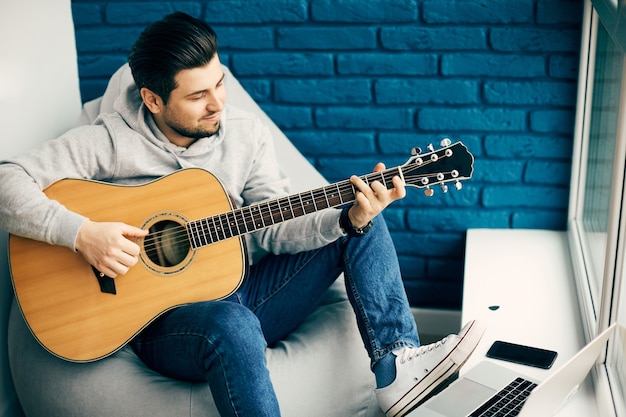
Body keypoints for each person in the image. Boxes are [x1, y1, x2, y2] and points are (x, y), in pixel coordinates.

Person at [0, 12, 484, 417]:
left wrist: (346, 218)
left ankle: (395, 367)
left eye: (220, 84)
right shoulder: (107, 141)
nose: (218, 105)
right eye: (196, 96)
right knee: (233, 325)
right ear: (152, 99)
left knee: (362, 220)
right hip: (162, 322)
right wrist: (83, 234)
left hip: (246, 288)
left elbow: (276, 227)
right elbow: (7, 180)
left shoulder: (245, 135)